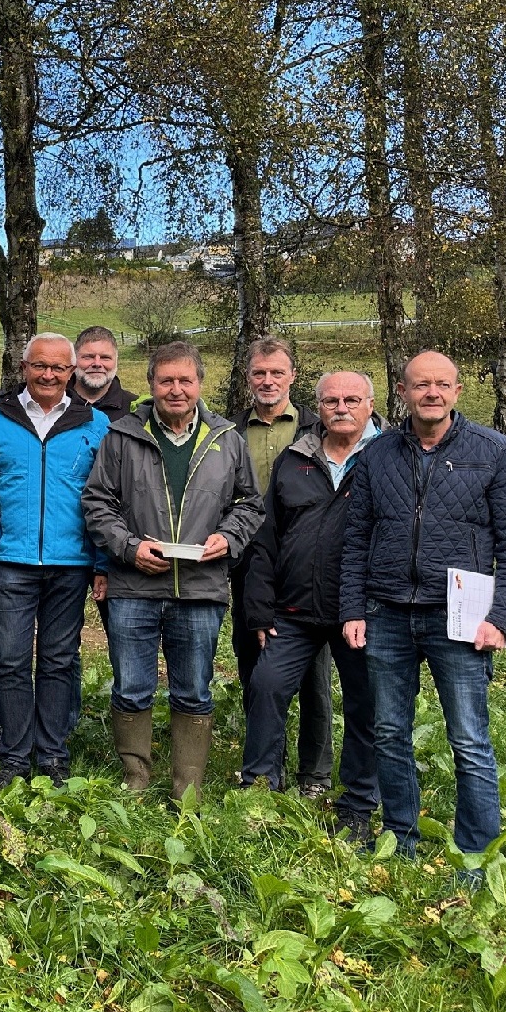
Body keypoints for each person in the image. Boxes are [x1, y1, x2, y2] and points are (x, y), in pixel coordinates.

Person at [341, 351, 506, 863]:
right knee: (389, 732)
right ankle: (400, 835)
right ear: (402, 391)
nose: (432, 393)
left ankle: (478, 852)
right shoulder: (377, 455)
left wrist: (503, 617)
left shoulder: (495, 452)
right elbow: (357, 538)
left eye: (442, 384)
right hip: (386, 613)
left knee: (469, 738)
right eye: (421, 384)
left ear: (457, 390)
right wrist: (352, 608)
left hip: (461, 616)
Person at [82, 340, 263, 800]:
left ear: (200, 383)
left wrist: (229, 537)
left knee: (194, 691)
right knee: (132, 687)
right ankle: (135, 781)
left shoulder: (226, 439)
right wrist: (128, 548)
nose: (176, 389)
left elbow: (248, 503)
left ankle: (188, 789)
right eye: (166, 380)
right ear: (151, 385)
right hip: (134, 586)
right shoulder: (122, 436)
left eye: (185, 380)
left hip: (201, 588)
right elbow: (97, 502)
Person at [241, 371, 382, 840]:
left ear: (370, 404)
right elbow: (265, 538)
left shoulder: (389, 458)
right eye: (331, 401)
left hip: (360, 612)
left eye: (351, 399)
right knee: (266, 684)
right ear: (316, 407)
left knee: (367, 704)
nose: (341, 407)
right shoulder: (295, 458)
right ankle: (261, 785)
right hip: (295, 610)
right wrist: (260, 607)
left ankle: (358, 801)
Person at [0, 333, 110, 785]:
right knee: (11, 659)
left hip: (70, 561)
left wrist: (103, 563)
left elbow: (106, 499)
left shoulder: (95, 424)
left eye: (58, 368)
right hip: (8, 558)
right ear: (24, 367)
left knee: (58, 658)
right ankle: (14, 754)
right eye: (40, 366)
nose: (49, 375)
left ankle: (52, 753)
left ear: (71, 372)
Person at [230, 337, 332, 796]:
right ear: (248, 378)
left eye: (276, 372)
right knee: (254, 660)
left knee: (312, 671)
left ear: (293, 376)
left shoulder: (318, 427)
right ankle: (265, 765)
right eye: (258, 373)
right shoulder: (228, 431)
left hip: (305, 559)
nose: (267, 381)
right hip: (246, 557)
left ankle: (314, 771)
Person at [70, 326, 140, 422]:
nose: (97, 364)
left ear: (116, 361)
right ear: (74, 360)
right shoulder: (53, 403)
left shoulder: (135, 409)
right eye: (88, 357)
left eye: (105, 357)